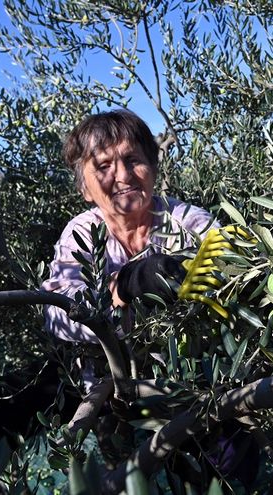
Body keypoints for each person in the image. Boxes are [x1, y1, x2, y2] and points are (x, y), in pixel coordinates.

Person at [41, 109, 217, 349]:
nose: (123, 175)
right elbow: (57, 313)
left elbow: (226, 260)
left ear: (153, 168)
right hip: (110, 380)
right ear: (85, 190)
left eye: (133, 160)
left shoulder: (185, 219)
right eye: (104, 166)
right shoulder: (82, 232)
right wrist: (125, 285)